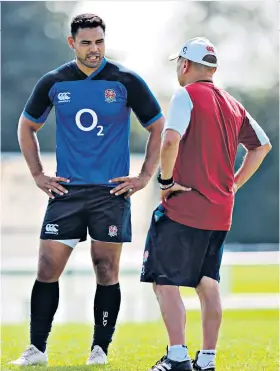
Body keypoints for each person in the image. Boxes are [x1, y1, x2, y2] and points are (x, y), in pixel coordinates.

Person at [11, 13, 164, 367]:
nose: (94, 50)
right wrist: (37, 174)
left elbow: (157, 126)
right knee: (48, 266)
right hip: (66, 192)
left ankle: (100, 349)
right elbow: (27, 125)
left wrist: (143, 176)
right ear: (72, 43)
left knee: (105, 268)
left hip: (110, 193)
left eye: (99, 42)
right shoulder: (54, 81)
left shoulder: (125, 80)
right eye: (86, 43)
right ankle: (36, 349)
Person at [140, 37, 272, 371]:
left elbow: (170, 141)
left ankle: (177, 356)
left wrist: (166, 182)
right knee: (206, 281)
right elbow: (262, 146)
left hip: (184, 206)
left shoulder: (186, 95)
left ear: (184, 65)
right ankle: (207, 359)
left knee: (165, 280)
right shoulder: (232, 104)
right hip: (220, 211)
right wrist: (234, 185)